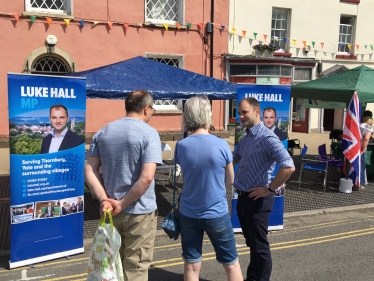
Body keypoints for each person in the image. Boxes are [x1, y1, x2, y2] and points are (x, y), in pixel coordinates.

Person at [85, 90, 162, 281]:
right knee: (135, 270)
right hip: (139, 213)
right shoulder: (149, 134)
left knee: (111, 269)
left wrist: (105, 200)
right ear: (146, 108)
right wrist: (123, 203)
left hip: (110, 211)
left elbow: (90, 171)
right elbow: (146, 178)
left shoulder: (103, 132)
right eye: (152, 109)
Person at [175, 96, 243, 281]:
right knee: (231, 264)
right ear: (208, 115)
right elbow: (230, 179)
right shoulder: (221, 145)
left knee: (191, 265)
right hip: (216, 212)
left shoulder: (181, 146)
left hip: (188, 213)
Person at [233, 98, 295, 281]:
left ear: (256, 111)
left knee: (260, 247)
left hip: (258, 201)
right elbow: (232, 159)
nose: (241, 116)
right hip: (243, 199)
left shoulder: (267, 137)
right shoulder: (246, 137)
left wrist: (269, 189)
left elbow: (289, 166)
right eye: (239, 113)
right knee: (252, 244)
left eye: (244, 112)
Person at [355, 115, 374, 190]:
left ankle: (354, 181)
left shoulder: (358, 125)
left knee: (354, 165)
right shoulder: (368, 127)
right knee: (361, 166)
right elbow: (366, 139)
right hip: (361, 149)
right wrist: (363, 150)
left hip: (355, 148)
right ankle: (360, 183)